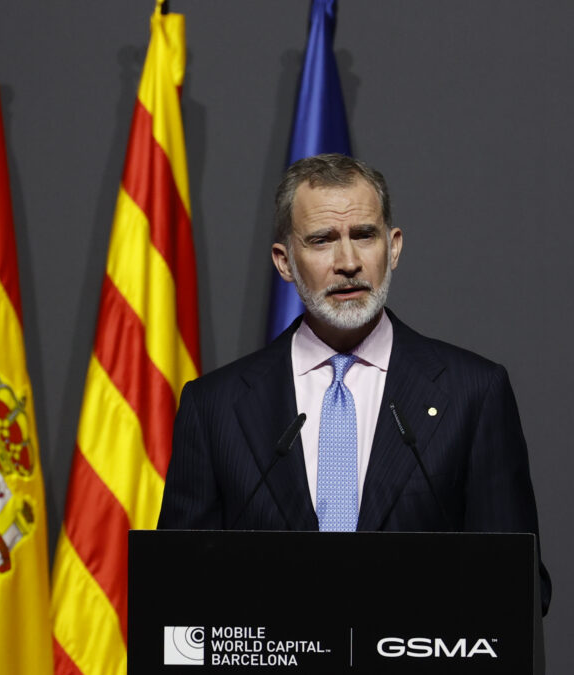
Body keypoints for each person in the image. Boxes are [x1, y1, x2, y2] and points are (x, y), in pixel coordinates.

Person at [157, 153, 551, 614]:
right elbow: (178, 591)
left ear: (394, 247)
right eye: (322, 240)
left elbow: (517, 588)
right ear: (285, 261)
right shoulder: (214, 407)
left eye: (363, 235)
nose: (348, 262)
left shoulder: (473, 393)